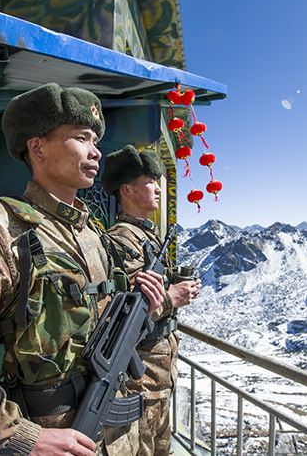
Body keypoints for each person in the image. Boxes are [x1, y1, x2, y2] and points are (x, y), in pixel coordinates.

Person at [0, 83, 166, 456]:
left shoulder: (94, 235)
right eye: (81, 138)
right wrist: (21, 436)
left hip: (115, 434)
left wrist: (148, 307)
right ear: (37, 147)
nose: (95, 152)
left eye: (96, 140)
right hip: (50, 437)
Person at [100, 145, 201, 456]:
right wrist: (171, 299)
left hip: (159, 376)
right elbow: (120, 314)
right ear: (127, 189)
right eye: (150, 182)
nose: (158, 188)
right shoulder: (121, 240)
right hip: (139, 379)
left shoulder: (148, 237)